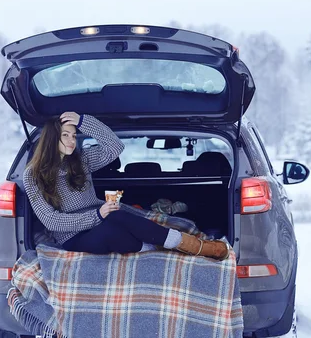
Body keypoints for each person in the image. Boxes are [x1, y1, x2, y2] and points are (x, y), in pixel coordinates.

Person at [23, 111, 229, 260]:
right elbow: (51, 221)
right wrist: (96, 216)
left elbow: (115, 146)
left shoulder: (81, 160)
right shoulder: (32, 176)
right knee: (111, 231)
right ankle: (160, 250)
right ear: (51, 139)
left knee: (117, 216)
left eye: (74, 135)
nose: (71, 141)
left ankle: (192, 246)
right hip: (72, 236)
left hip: (100, 220)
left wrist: (84, 121)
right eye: (65, 135)